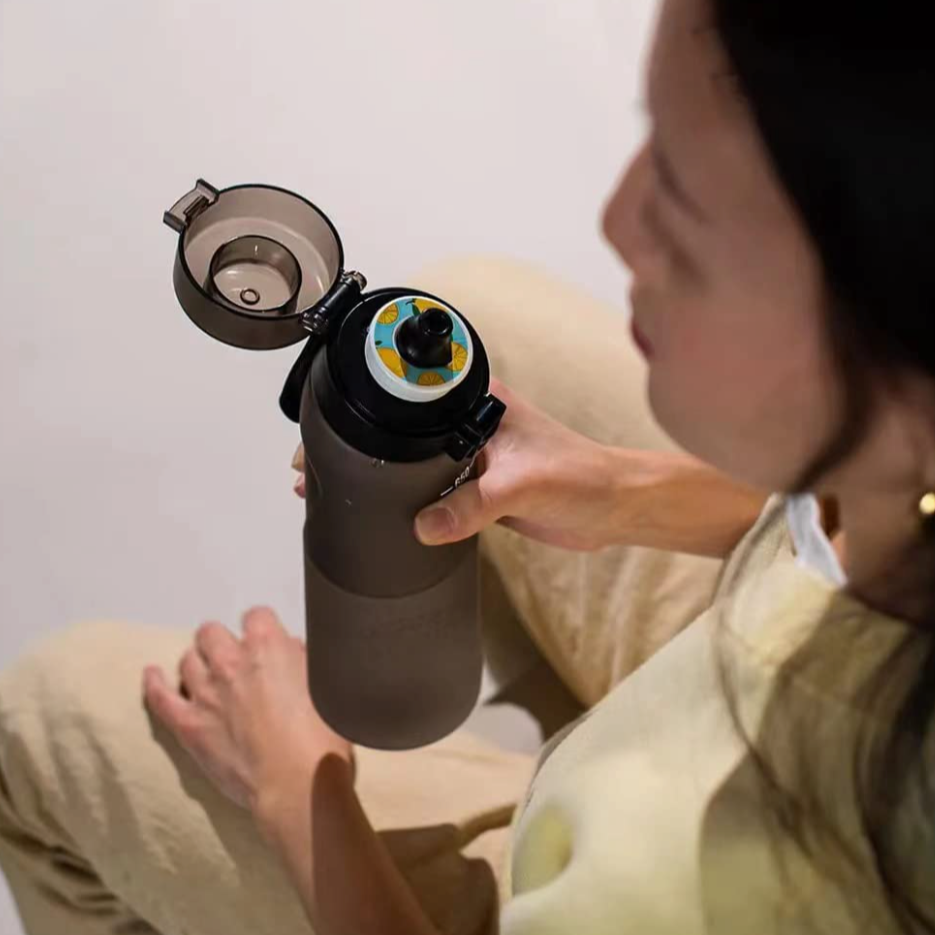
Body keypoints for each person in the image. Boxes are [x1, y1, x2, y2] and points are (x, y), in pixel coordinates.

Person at [0, 0, 932, 931]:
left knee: (47, 715)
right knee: (468, 310)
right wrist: (616, 491)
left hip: (640, 857)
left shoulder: (695, 877)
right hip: (787, 641)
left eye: (686, 206)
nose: (616, 222)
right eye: (652, 139)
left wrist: (296, 785)